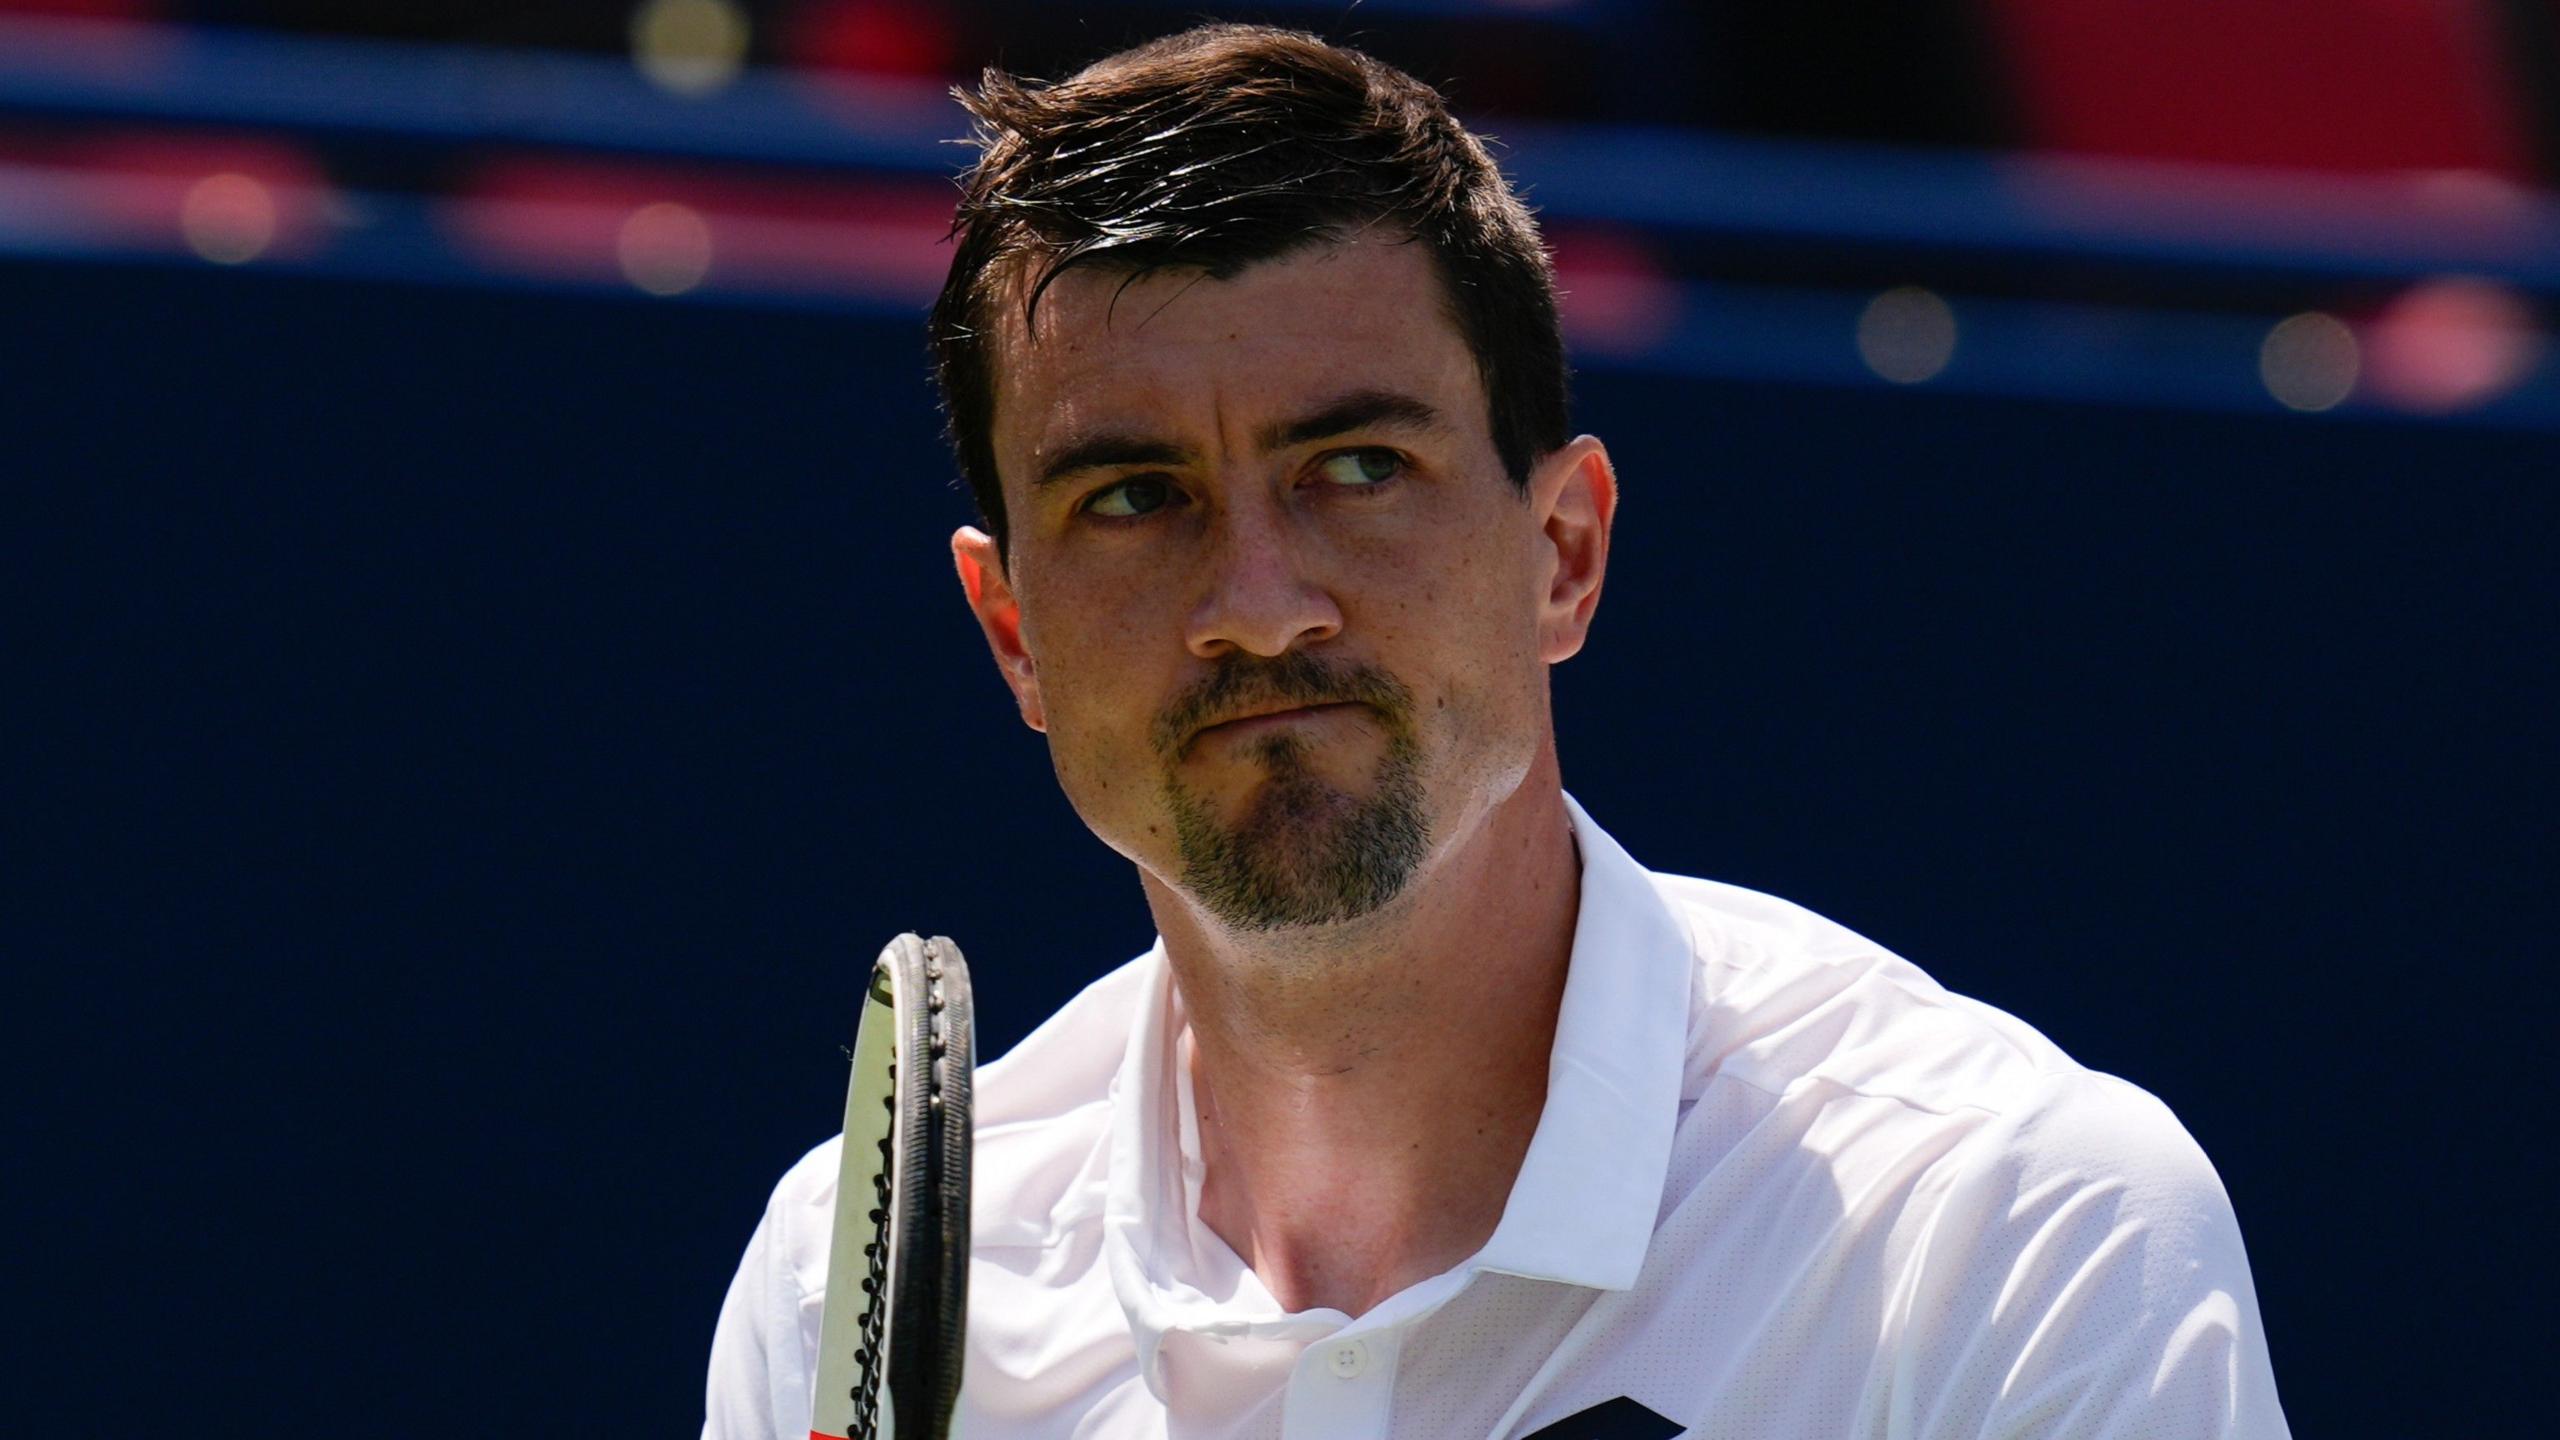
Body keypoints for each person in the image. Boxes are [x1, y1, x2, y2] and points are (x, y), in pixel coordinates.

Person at [705, 24, 2289, 1440]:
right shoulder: (836, 1288)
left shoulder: (2018, 1232)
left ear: (1563, 555)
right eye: (1134, 499)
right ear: (1014, 635)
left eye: (1358, 469)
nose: (1259, 605)